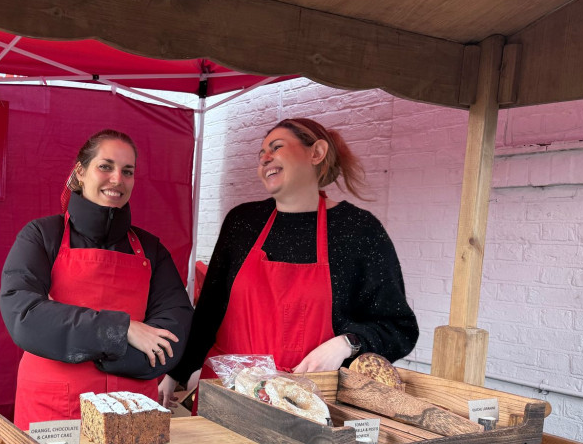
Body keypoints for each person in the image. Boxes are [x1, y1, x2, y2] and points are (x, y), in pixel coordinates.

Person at [158, 117, 418, 407]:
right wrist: (178, 371)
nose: (264, 158)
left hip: (309, 407)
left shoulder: (357, 230)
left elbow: (398, 327)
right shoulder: (243, 222)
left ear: (316, 153)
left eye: (276, 147)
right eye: (261, 154)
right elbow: (209, 309)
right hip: (225, 397)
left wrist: (347, 343)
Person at [1, 129, 193, 429]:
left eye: (127, 171)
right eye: (105, 166)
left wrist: (89, 350)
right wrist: (122, 330)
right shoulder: (42, 235)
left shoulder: (152, 249)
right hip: (52, 411)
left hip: (132, 411)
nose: (117, 179)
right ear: (80, 172)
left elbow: (173, 333)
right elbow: (24, 316)